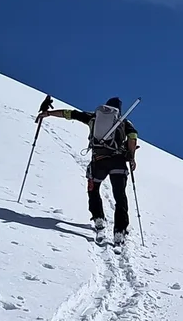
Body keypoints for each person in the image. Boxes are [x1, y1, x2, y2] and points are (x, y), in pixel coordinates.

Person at [37, 97, 140, 240]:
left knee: (93, 189)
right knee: (120, 196)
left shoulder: (93, 117)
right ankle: (119, 231)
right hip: (118, 163)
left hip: (98, 161)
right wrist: (132, 157)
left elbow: (70, 113)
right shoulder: (124, 122)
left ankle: (98, 218)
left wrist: (48, 113)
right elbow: (133, 137)